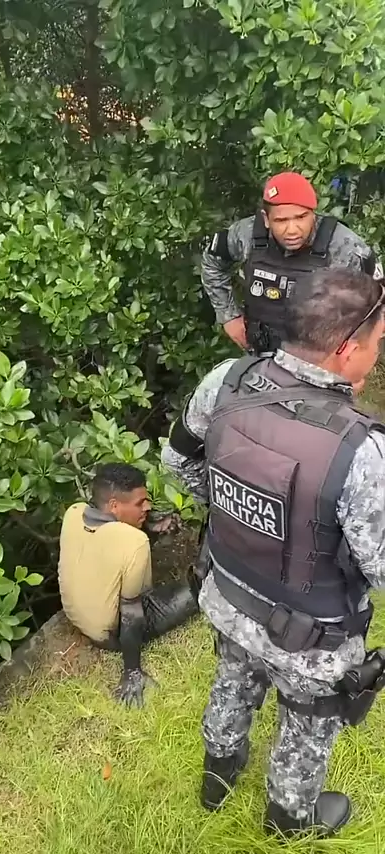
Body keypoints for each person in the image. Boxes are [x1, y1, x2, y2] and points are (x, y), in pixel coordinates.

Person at [161, 267, 385, 837]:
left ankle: (218, 775)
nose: (379, 351)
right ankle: (289, 819)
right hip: (308, 636)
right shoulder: (363, 451)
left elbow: (178, 461)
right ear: (347, 349)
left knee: (234, 672)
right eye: (379, 340)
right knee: (308, 718)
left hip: (228, 593)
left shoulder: (227, 380)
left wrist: (234, 513)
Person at [58, 462, 199, 709]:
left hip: (79, 617)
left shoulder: (74, 512)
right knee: (200, 588)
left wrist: (148, 524)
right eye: (139, 503)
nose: (148, 507)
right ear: (114, 505)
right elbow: (132, 615)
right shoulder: (134, 542)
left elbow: (108, 542)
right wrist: (131, 672)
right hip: (112, 635)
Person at [202, 171, 383, 354]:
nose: (292, 230)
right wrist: (229, 316)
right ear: (266, 219)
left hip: (320, 357)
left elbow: (377, 302)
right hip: (261, 351)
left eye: (301, 217)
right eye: (281, 220)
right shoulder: (247, 234)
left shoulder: (345, 246)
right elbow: (212, 263)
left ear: (313, 214)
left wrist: (350, 350)